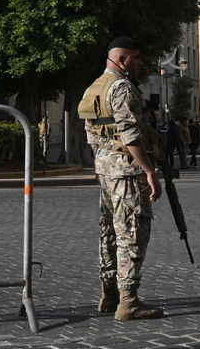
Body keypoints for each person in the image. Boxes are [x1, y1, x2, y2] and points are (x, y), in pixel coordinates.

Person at [78, 37, 163, 320]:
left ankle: (109, 294)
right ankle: (128, 301)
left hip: (104, 168)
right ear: (122, 59)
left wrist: (105, 158)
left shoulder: (94, 87)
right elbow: (131, 135)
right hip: (127, 171)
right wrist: (149, 170)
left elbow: (91, 135)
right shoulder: (122, 87)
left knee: (109, 231)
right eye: (136, 57)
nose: (140, 63)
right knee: (131, 232)